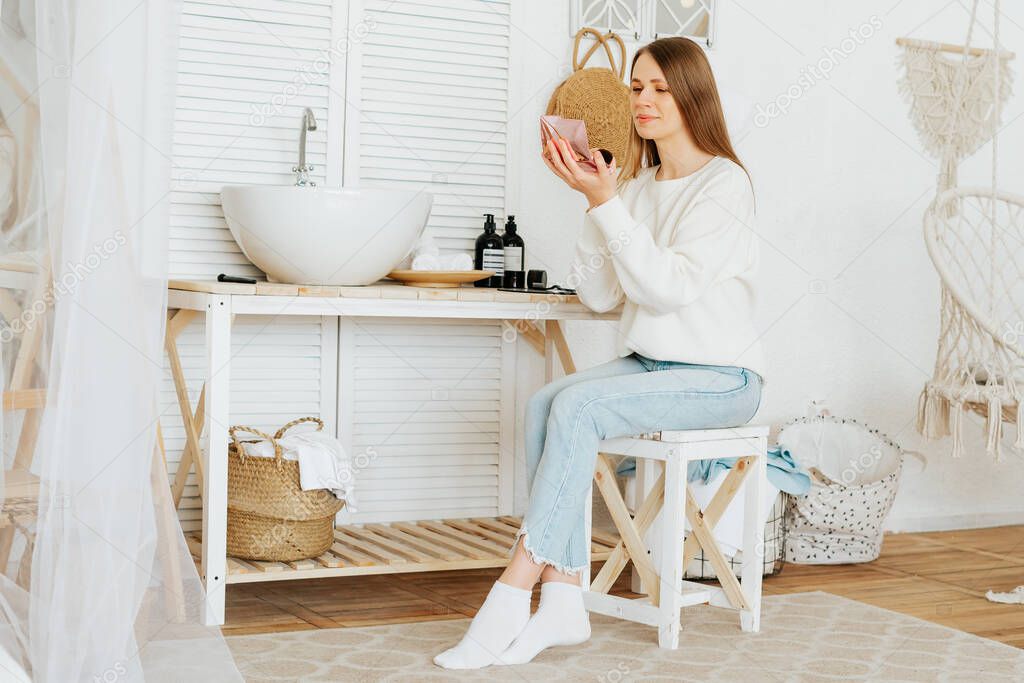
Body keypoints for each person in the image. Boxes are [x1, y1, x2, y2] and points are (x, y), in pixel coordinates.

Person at [434, 36, 767, 670]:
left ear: (695, 96)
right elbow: (600, 294)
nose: (643, 100)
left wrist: (608, 204)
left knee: (580, 409)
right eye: (636, 87)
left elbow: (667, 288)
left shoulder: (726, 185)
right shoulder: (637, 186)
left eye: (660, 89)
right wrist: (597, 197)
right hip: (652, 366)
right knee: (544, 404)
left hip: (723, 376)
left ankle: (512, 592)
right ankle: (563, 598)